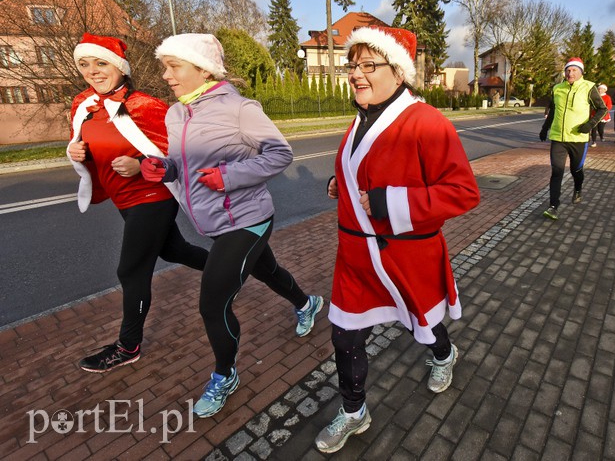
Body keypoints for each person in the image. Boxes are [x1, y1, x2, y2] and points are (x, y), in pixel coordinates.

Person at [314, 26, 480, 454]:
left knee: (421, 322)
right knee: (344, 334)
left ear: (398, 72)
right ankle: (354, 413)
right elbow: (367, 169)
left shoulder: (426, 121)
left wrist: (391, 201)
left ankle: (444, 355)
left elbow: (464, 192)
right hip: (355, 254)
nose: (356, 74)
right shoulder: (360, 118)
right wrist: (342, 183)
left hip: (405, 254)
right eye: (352, 65)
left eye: (369, 64)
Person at [140, 33, 323, 418]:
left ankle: (225, 375)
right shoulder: (177, 114)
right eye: (165, 66)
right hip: (215, 222)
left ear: (202, 69)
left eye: (174, 66)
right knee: (268, 271)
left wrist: (228, 176)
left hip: (248, 218)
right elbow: (183, 164)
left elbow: (280, 153)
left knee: (212, 303)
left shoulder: (239, 108)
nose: (166, 74)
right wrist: (164, 168)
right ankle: (307, 304)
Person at [67, 33, 208, 373]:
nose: (93, 71)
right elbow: (86, 145)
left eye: (101, 63)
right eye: (85, 64)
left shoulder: (144, 106)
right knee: (174, 250)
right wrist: (74, 152)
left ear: (119, 67)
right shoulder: (83, 106)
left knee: (131, 270)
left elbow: (178, 154)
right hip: (124, 200)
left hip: (152, 195)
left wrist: (139, 165)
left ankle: (128, 346)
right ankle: (235, 265)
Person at [539, 57, 607, 220]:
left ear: (581, 72)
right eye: (568, 70)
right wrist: (544, 128)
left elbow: (602, 109)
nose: (570, 73)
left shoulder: (589, 87)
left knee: (576, 170)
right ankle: (553, 206)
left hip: (578, 139)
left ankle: (578, 188)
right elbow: (553, 111)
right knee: (557, 172)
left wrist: (589, 125)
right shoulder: (557, 88)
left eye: (574, 70)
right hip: (558, 138)